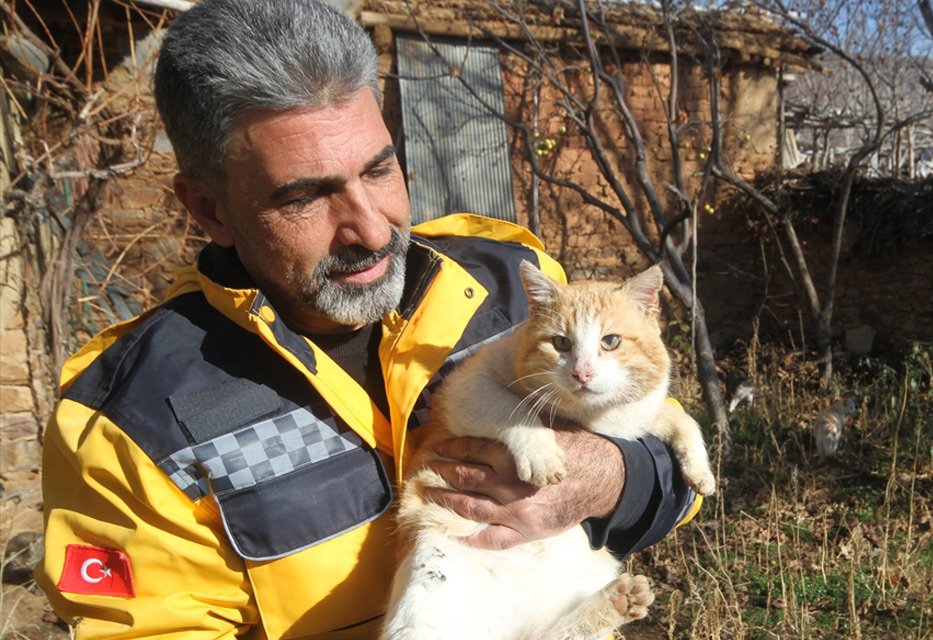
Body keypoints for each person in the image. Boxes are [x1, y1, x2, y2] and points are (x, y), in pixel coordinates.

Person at [35, 0, 700, 636]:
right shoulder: (130, 421)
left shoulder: (505, 278)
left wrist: (612, 475)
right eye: (305, 196)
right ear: (208, 209)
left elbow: (670, 476)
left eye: (380, 170)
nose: (370, 227)